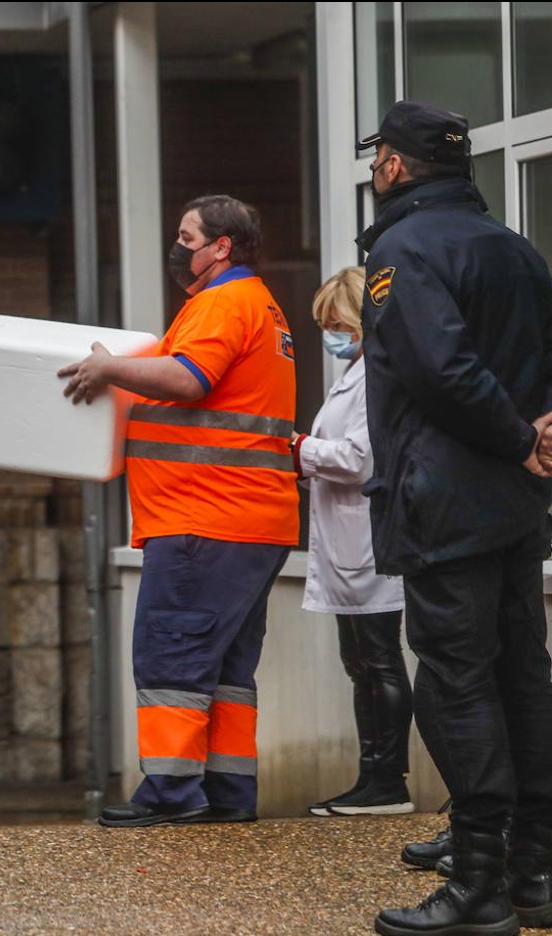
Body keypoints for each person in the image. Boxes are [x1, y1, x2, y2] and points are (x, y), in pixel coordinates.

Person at [358, 101, 552, 936]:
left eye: (379, 160)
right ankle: (536, 871)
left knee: (456, 678)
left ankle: (476, 885)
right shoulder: (514, 247)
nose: (375, 172)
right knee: (523, 675)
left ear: (397, 166)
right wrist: (535, 438)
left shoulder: (402, 249)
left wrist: (516, 436)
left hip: (446, 499)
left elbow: (439, 370)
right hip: (515, 503)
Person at [59, 195, 298, 828]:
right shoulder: (261, 306)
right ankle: (225, 794)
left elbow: (191, 379)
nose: (178, 246)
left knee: (172, 658)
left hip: (206, 518)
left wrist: (112, 368)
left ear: (221, 246)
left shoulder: (223, 302)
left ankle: (170, 795)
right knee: (222, 671)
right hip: (247, 520)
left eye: (187, 236)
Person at [293, 267, 412, 818]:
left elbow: (360, 458)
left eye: (335, 323)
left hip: (368, 541)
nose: (330, 335)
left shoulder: (377, 378)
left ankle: (387, 780)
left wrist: (301, 450)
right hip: (348, 540)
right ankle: (372, 777)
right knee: (360, 661)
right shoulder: (358, 374)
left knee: (380, 659)